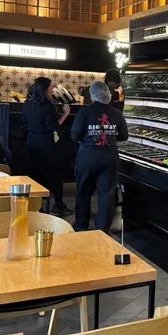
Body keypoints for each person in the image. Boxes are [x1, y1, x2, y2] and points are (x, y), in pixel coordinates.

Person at [71, 81, 128, 232]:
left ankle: (81, 226)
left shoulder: (84, 112)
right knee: (106, 195)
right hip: (109, 158)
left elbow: (75, 135)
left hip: (87, 157)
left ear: (93, 95)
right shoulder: (117, 113)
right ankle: (102, 230)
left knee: (83, 192)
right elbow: (124, 136)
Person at [22, 77, 71, 217]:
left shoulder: (27, 105)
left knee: (34, 175)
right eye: (51, 87)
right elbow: (54, 127)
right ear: (45, 89)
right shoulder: (49, 106)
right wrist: (65, 114)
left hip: (32, 142)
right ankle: (59, 205)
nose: (53, 90)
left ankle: (35, 206)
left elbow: (23, 123)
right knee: (55, 175)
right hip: (46, 143)